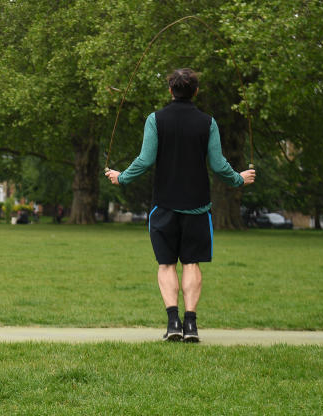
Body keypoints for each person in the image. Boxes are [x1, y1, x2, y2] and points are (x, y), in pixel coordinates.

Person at [105, 68, 255, 342]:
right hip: (197, 207)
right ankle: (192, 326)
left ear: (170, 90)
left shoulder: (155, 119)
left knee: (166, 265)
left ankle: (173, 323)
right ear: (196, 91)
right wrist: (239, 179)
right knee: (191, 264)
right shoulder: (208, 122)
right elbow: (219, 164)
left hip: (163, 206)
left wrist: (121, 177)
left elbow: (145, 159)